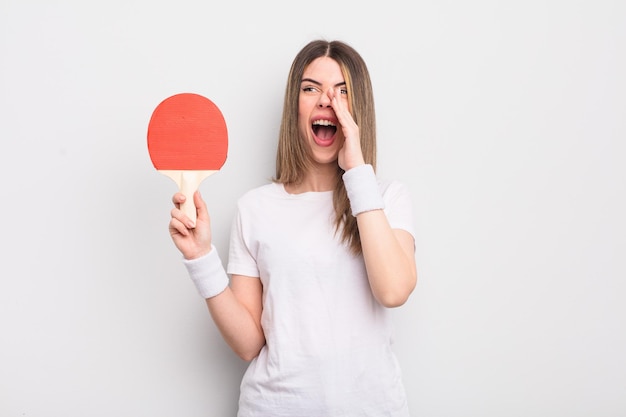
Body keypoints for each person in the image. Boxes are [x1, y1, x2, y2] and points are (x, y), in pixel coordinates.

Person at [168, 39, 417, 416]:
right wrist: (201, 257)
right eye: (311, 88)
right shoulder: (255, 208)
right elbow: (249, 343)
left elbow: (394, 290)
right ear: (294, 106)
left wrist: (357, 172)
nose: (326, 101)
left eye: (342, 91)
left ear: (358, 108)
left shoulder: (386, 199)